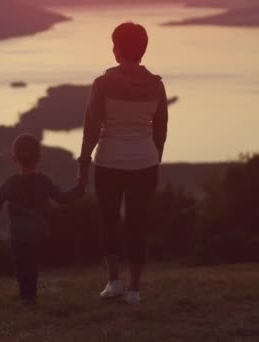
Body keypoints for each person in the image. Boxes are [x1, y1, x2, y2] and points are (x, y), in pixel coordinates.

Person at [77, 22, 169, 305]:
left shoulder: (103, 84)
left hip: (108, 162)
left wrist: (83, 165)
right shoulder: (156, 85)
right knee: (137, 224)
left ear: (117, 50)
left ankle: (114, 282)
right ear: (142, 50)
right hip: (145, 163)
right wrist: (154, 158)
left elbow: (91, 128)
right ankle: (134, 290)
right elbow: (161, 130)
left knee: (110, 221)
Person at [0, 134, 85, 306]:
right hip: (39, 232)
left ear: (14, 158)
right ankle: (31, 297)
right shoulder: (44, 180)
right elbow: (62, 198)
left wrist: (3, 201)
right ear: (38, 157)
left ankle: (26, 297)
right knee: (32, 262)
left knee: (21, 264)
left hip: (18, 233)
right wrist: (80, 187)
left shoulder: (10, 183)